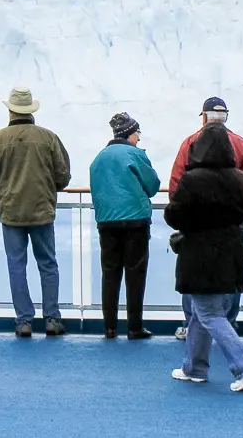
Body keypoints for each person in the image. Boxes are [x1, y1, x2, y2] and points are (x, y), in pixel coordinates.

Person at [165, 123, 243, 392]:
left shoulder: (192, 180)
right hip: (230, 252)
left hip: (198, 254)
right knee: (202, 312)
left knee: (208, 313)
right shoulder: (240, 180)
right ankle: (194, 368)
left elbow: (174, 215)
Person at [0, 87, 71, 338]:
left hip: (11, 213)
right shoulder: (49, 138)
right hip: (42, 211)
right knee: (48, 264)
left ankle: (24, 321)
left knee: (17, 266)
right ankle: (52, 318)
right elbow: (62, 176)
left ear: (9, 110)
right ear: (31, 110)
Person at [170, 97, 243, 339]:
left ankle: (192, 324)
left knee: (193, 271)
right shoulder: (240, 144)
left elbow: (176, 184)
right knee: (232, 269)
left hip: (196, 226)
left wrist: (182, 216)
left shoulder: (190, 143)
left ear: (204, 116)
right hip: (233, 224)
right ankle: (227, 323)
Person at [88, 112, 160, 339]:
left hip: (107, 221)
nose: (139, 138)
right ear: (129, 133)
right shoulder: (134, 154)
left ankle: (109, 327)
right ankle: (134, 327)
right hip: (135, 220)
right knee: (135, 273)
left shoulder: (99, 158)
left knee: (110, 273)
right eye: (137, 133)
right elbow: (153, 186)